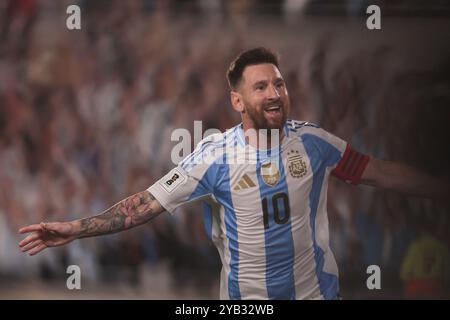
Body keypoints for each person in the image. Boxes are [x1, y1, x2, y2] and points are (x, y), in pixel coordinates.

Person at [18, 47, 449, 300]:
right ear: (237, 102)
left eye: (279, 83)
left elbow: (380, 172)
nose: (275, 93)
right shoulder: (213, 157)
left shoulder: (315, 143)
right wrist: (74, 228)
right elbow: (143, 206)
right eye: (260, 87)